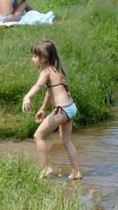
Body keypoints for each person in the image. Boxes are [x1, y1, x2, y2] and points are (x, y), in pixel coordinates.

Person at [22, 40, 82, 180]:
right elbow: (50, 92)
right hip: (70, 108)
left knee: (38, 136)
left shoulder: (46, 71)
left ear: (44, 58)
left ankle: (46, 168)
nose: (33, 59)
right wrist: (43, 109)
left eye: (35, 56)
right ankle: (75, 172)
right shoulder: (58, 70)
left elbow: (38, 86)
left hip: (61, 110)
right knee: (66, 141)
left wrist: (27, 97)